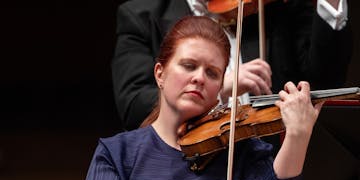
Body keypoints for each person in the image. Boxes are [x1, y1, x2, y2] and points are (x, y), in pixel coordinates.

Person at [83, 16, 323, 180]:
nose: (199, 78)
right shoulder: (117, 152)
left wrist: (297, 137)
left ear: (219, 88)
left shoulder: (242, 150)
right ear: (160, 74)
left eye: (212, 72)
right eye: (189, 65)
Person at [112, 0, 351, 131]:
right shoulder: (140, 15)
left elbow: (326, 80)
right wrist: (220, 86)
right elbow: (135, 106)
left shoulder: (276, 11)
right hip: (178, 170)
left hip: (266, 172)